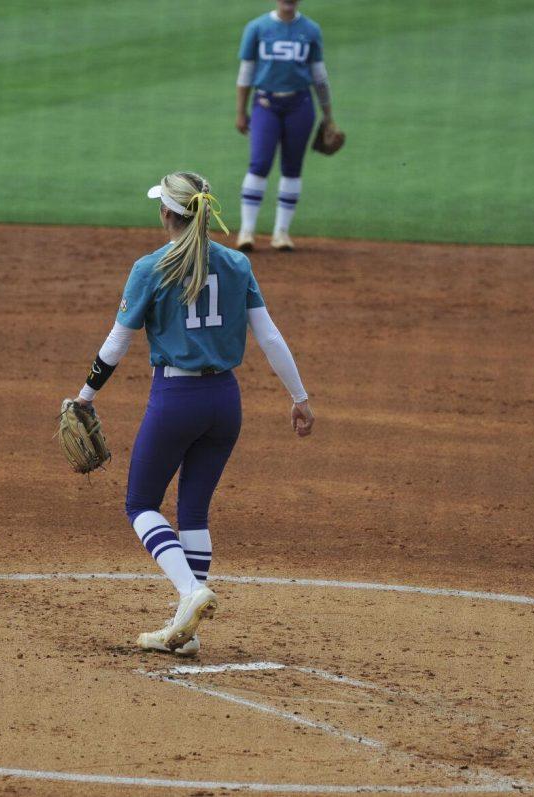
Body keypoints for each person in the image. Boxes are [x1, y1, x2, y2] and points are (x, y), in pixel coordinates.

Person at [72, 171, 314, 656]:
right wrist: (299, 397)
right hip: (226, 403)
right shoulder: (237, 263)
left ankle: (189, 592)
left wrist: (85, 395)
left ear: (167, 213)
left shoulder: (150, 268)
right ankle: (189, 629)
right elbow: (270, 338)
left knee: (140, 504)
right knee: (194, 511)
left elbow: (117, 344)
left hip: (176, 402)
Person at [235, 0, 335, 253]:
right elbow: (246, 73)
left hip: (300, 105)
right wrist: (240, 112)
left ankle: (281, 233)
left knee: (292, 167)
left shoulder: (311, 30)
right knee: (259, 163)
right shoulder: (257, 28)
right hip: (265, 103)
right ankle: (246, 231)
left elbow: (320, 77)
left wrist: (328, 116)